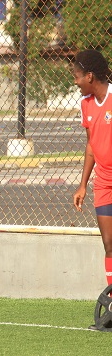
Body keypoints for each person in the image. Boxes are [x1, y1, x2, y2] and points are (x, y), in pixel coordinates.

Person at [72, 49, 112, 293]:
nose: (75, 82)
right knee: (109, 243)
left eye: (76, 77)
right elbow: (91, 144)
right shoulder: (85, 104)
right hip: (104, 182)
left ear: (89, 76)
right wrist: (83, 184)